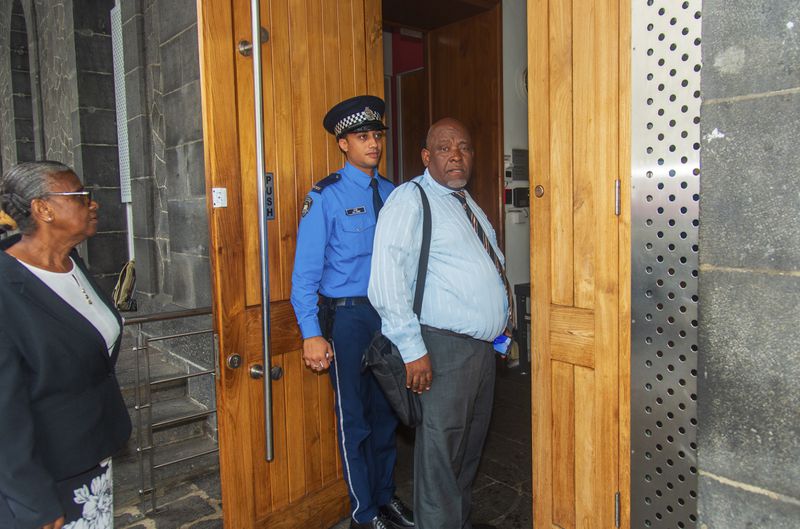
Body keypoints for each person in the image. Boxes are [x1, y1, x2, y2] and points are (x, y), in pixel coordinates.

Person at [368, 118, 509, 529]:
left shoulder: (467, 203)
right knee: (441, 460)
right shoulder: (410, 199)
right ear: (426, 156)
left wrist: (500, 328)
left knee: (466, 455)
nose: (456, 155)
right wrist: (414, 352)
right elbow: (386, 280)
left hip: (480, 353)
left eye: (463, 147)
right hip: (441, 350)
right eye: (445, 148)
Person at [290, 96, 414, 529]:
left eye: (377, 135)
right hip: (347, 319)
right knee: (355, 421)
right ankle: (365, 514)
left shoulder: (394, 194)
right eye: (363, 137)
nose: (373, 144)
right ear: (343, 144)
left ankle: (386, 497)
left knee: (387, 415)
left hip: (389, 315)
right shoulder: (325, 196)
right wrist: (311, 332)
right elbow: (304, 275)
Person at [0, 161, 132, 529]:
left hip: (92, 455)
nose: (94, 204)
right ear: (42, 209)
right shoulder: (6, 290)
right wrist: (34, 502)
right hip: (46, 477)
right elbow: (4, 414)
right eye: (81, 196)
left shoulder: (71, 263)